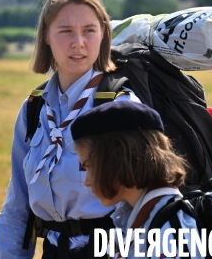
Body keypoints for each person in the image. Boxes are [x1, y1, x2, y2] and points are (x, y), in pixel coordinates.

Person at [0, 0, 141, 259]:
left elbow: (145, 209)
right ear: (46, 36)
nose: (78, 43)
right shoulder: (33, 109)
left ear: (103, 36)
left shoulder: (120, 107)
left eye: (89, 31)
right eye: (65, 31)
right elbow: (17, 206)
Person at [71, 100, 204, 259]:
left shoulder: (166, 231)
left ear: (118, 160)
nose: (87, 181)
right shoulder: (141, 216)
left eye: (89, 167)